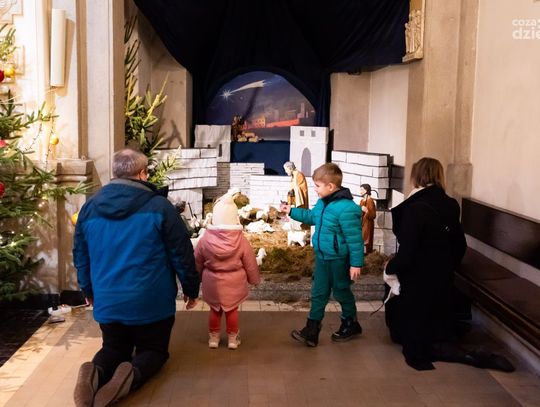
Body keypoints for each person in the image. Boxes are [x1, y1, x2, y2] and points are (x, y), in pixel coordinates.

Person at [72, 148, 200, 407]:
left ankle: (94, 371)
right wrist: (191, 288)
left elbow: (81, 255)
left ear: (115, 173)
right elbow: (181, 252)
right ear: (142, 174)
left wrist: (87, 289)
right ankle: (130, 375)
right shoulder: (160, 207)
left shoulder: (89, 208)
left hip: (108, 300)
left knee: (113, 348)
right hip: (151, 301)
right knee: (153, 350)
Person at [384, 157, 514, 372]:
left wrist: (390, 268)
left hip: (418, 278)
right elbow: (459, 244)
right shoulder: (450, 204)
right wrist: (446, 266)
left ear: (416, 176)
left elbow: (408, 252)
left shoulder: (414, 208)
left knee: (399, 292)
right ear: (439, 176)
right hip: (442, 274)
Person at [280, 163, 364, 346]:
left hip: (339, 260)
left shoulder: (347, 208)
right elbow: (312, 217)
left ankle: (351, 322)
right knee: (318, 292)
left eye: (317, 186)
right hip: (322, 258)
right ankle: (312, 330)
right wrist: (292, 211)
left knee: (341, 291)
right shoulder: (322, 203)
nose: (315, 189)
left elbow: (355, 239)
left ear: (330, 186)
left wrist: (356, 264)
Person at [194, 193, 260, 349]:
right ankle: (232, 339)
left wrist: (196, 278)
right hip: (234, 282)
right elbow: (250, 261)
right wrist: (254, 279)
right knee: (232, 311)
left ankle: (214, 338)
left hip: (212, 282)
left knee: (214, 310)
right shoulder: (241, 240)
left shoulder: (205, 239)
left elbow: (197, 260)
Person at [359, 183, 376, 253]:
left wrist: (367, 211)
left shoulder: (370, 201)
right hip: (362, 223)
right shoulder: (362, 201)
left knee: (366, 240)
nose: (360, 191)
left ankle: (368, 254)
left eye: (362, 189)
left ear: (366, 190)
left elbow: (373, 215)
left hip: (367, 224)